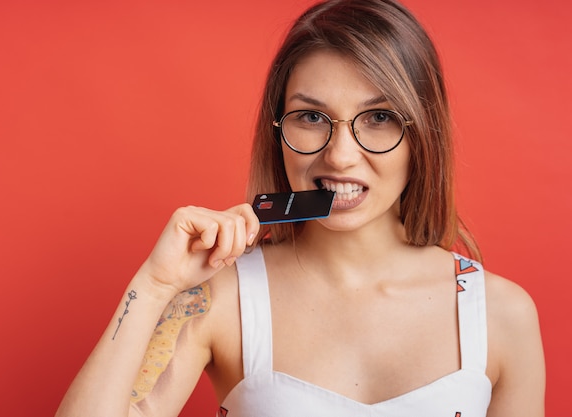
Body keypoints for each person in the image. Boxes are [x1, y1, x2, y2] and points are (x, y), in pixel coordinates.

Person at [56, 0, 545, 416]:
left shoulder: (501, 316)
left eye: (378, 118)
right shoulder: (221, 300)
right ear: (278, 131)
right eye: (311, 117)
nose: (340, 155)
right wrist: (155, 285)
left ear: (422, 134)